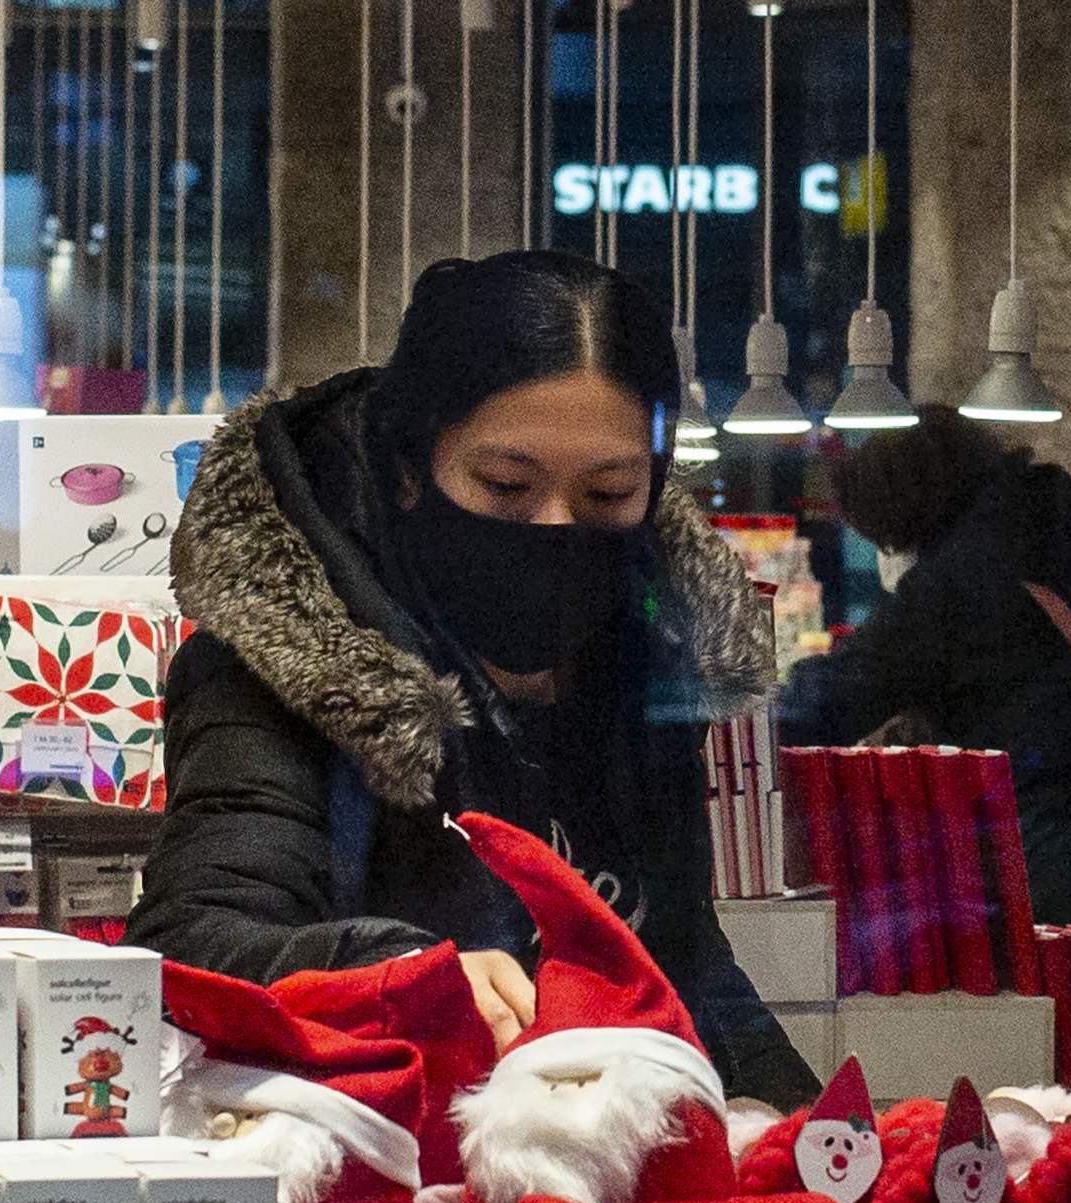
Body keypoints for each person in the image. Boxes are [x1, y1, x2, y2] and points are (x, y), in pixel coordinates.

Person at [133, 248, 818, 1108]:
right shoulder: (279, 672)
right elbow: (188, 944)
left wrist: (822, 1139)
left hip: (600, 1190)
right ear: (412, 467)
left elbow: (683, 967)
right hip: (379, 1181)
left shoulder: (648, 667)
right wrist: (401, 974)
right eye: (504, 486)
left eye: (609, 494)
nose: (556, 529)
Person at [785, 406, 1071, 931]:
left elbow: (837, 696)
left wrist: (715, 714)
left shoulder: (971, 572)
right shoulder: (1068, 521)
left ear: (899, 512)